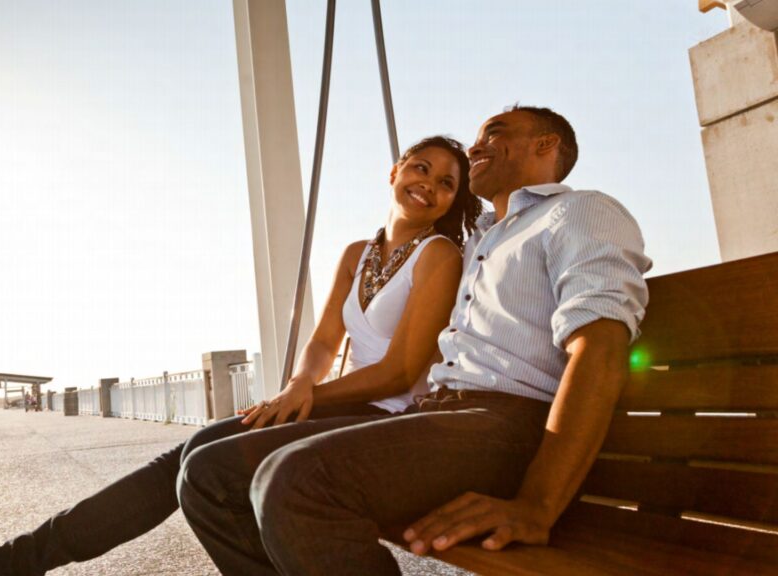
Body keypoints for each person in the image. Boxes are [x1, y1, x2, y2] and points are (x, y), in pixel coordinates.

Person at [0, 135, 483, 576]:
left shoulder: (438, 255)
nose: (427, 184)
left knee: (207, 471)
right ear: (395, 170)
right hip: (331, 407)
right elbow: (325, 341)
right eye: (420, 167)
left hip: (387, 420)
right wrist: (301, 382)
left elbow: (404, 371)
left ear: (453, 202)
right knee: (191, 451)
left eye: (446, 183)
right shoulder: (358, 252)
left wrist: (306, 397)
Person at [176, 105, 653, 575]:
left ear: (545, 144)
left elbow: (602, 347)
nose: (476, 146)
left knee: (296, 482)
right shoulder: (483, 241)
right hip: (442, 416)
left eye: (495, 132)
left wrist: (538, 502)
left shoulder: (579, 210)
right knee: (211, 474)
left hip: (510, 425)